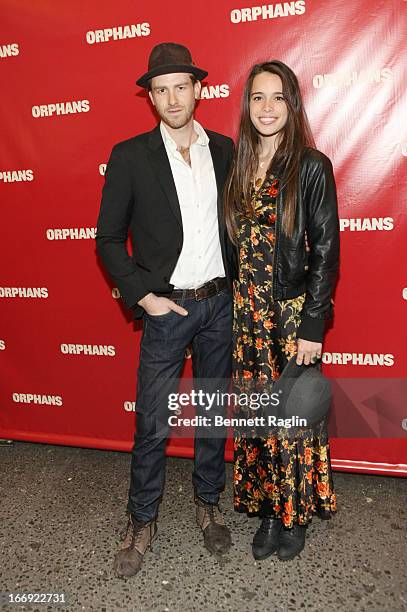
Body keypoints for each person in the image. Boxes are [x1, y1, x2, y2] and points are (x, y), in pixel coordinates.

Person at [96, 42, 234, 578]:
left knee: (212, 415)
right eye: (161, 89)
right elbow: (108, 240)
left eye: (181, 86)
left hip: (220, 304)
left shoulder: (224, 149)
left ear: (199, 89)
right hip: (167, 308)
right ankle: (141, 518)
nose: (172, 98)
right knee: (153, 422)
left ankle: (207, 503)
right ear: (150, 98)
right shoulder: (130, 155)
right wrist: (145, 296)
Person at [224, 60, 340, 561]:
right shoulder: (238, 165)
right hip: (245, 316)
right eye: (257, 98)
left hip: (290, 317)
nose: (266, 108)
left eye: (277, 98)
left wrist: (313, 324)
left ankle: (294, 517)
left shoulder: (311, 165)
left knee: (293, 417)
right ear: (247, 105)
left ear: (291, 105)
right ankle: (269, 509)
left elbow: (326, 250)